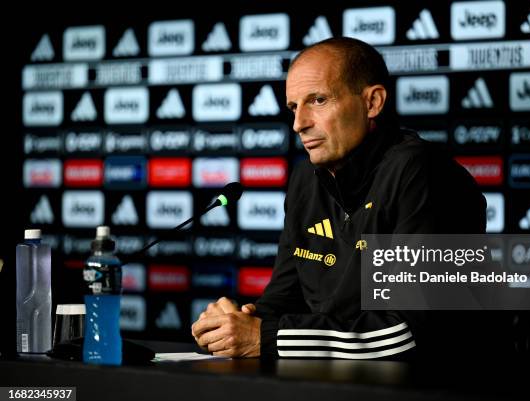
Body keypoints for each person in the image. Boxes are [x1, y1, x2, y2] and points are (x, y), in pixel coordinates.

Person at [191, 37, 501, 360]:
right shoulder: (305, 181)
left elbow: (407, 332)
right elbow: (283, 300)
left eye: (319, 100)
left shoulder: (423, 173)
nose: (299, 123)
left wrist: (267, 337)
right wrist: (234, 326)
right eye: (294, 107)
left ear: (373, 102)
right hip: (340, 385)